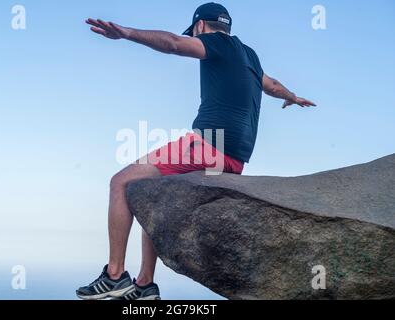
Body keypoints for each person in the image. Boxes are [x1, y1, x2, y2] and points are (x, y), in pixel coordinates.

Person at [76, 2, 316, 300]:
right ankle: (145, 284)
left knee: (121, 181)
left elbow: (175, 44)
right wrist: (293, 96)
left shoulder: (216, 42)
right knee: (151, 194)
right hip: (235, 160)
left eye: (195, 32)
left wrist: (126, 33)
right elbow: (272, 85)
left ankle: (114, 275)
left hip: (207, 146)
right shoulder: (250, 56)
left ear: (200, 26)